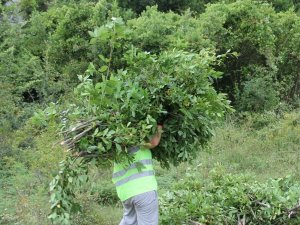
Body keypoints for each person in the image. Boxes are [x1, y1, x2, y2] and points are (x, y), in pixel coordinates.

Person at [112, 124, 163, 225]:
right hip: (144, 191)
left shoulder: (116, 145)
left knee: (129, 221)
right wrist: (159, 126)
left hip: (125, 193)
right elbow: (154, 142)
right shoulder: (138, 141)